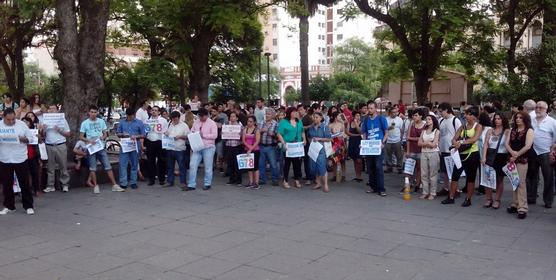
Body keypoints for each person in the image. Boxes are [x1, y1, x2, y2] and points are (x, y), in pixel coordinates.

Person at [441, 106, 483, 207]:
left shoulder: (478, 126)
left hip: (472, 154)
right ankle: (451, 196)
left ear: (474, 116)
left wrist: (461, 142)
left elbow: (474, 139)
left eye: (468, 114)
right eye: (465, 114)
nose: (466, 116)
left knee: (470, 177)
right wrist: (456, 142)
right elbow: (454, 138)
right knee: (455, 175)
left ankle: (468, 198)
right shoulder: (463, 126)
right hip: (460, 154)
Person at [79, 105, 123, 194]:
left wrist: (103, 137)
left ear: (97, 113)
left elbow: (106, 133)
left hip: (100, 147)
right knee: (92, 168)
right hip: (91, 148)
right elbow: (81, 137)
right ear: (88, 113)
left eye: (95, 112)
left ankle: (114, 185)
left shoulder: (101, 121)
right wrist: (89, 140)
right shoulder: (84, 123)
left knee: (108, 166)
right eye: (91, 112)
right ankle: (95, 186)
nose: (93, 114)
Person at [0, 108, 36, 215]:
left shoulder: (21, 125)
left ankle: (28, 206)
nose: (11, 122)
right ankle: (9, 206)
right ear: (3, 118)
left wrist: (22, 139)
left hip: (20, 158)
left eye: (13, 119)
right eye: (8, 120)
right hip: (4, 158)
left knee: (24, 183)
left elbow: (31, 138)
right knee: (7, 184)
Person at [527, 101, 556, 208]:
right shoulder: (531, 120)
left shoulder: (552, 122)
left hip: (546, 153)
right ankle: (531, 197)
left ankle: (548, 201)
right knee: (532, 176)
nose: (538, 109)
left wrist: (553, 149)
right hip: (532, 151)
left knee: (548, 177)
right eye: (536, 107)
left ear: (546, 109)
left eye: (541, 108)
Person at [506, 112, 534, 219]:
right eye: (516, 117)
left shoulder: (529, 130)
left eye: (520, 118)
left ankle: (522, 208)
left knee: (521, 183)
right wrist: (512, 153)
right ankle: (515, 204)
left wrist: (516, 154)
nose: (518, 119)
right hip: (511, 159)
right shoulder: (512, 129)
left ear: (525, 119)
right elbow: (506, 143)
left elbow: (528, 146)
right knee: (514, 182)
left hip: (523, 160)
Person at [481, 112, 509, 209]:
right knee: (487, 178)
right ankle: (488, 198)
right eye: (496, 119)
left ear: (503, 120)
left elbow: (508, 145)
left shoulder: (507, 131)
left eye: (499, 119)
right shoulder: (490, 130)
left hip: (501, 156)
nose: (497, 120)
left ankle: (497, 199)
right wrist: (483, 157)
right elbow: (485, 144)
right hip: (489, 155)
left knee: (499, 179)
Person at [361, 101, 389, 197]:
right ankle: (373, 187)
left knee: (378, 167)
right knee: (370, 167)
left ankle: (381, 189)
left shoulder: (381, 119)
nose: (369, 110)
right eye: (368, 108)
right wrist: (363, 143)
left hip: (378, 147)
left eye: (371, 108)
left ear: (376, 109)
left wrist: (383, 142)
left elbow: (386, 132)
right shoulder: (366, 120)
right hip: (369, 147)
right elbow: (364, 133)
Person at [42, 104, 71, 193]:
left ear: (57, 110)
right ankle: (50, 185)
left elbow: (68, 134)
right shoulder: (44, 120)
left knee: (63, 166)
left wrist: (59, 130)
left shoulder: (62, 120)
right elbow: (42, 135)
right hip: (49, 145)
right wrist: (43, 129)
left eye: (53, 108)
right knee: (50, 167)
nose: (51, 110)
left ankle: (65, 184)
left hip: (60, 145)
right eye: (49, 109)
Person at [187, 108, 218, 191]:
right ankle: (191, 184)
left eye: (202, 116)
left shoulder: (212, 123)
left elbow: (215, 135)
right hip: (197, 147)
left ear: (207, 115)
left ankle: (207, 183)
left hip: (208, 147)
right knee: (192, 165)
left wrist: (204, 135)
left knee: (208, 166)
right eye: (199, 116)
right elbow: (191, 131)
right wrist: (192, 134)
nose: (201, 118)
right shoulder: (196, 122)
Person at [116, 108, 145, 189]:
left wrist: (136, 136)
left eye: (132, 116)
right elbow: (118, 134)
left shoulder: (139, 122)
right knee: (123, 164)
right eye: (129, 116)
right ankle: (123, 182)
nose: (130, 118)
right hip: (125, 146)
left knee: (134, 164)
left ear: (134, 115)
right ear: (126, 115)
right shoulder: (122, 122)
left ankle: (133, 182)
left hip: (134, 146)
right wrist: (122, 134)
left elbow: (144, 134)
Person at [277, 107, 306, 189]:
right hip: (288, 146)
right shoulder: (283, 122)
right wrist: (284, 143)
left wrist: (304, 139)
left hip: (297, 146)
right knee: (287, 163)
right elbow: (279, 134)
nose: (296, 113)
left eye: (296, 112)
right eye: (294, 112)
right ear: (289, 113)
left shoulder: (299, 121)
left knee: (297, 163)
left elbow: (302, 131)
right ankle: (285, 180)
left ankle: (296, 179)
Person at [437, 103, 462, 196]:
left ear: (447, 110)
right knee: (445, 171)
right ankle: (446, 187)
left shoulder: (456, 120)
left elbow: (459, 135)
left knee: (453, 171)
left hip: (452, 150)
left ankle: (456, 189)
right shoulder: (441, 120)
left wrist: (456, 147)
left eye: (441, 111)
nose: (440, 114)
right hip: (442, 149)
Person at [307, 112, 332, 192]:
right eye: (314, 117)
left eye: (317, 117)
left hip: (322, 150)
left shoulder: (325, 127)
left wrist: (319, 139)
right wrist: (311, 142)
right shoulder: (311, 127)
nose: (315, 119)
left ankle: (325, 185)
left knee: (322, 167)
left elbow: (329, 139)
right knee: (314, 167)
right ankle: (318, 183)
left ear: (321, 118)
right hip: (313, 149)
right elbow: (309, 136)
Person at [164, 111, 190, 189]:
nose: (174, 120)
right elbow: (167, 133)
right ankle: (170, 181)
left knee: (182, 166)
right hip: (170, 147)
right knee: (170, 166)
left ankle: (183, 182)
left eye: (175, 119)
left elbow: (188, 136)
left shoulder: (184, 125)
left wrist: (180, 136)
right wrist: (166, 134)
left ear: (178, 118)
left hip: (180, 148)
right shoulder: (170, 124)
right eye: (172, 119)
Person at [144, 106, 168, 186]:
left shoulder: (163, 120)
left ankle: (161, 179)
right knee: (151, 161)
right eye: (153, 110)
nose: (154, 111)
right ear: (150, 112)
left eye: (156, 110)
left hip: (160, 142)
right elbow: (145, 132)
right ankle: (151, 179)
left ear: (159, 112)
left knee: (161, 161)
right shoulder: (147, 121)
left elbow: (166, 131)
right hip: (150, 142)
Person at [418, 115, 440, 200]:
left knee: (433, 173)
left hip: (433, 153)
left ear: (433, 120)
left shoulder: (436, 131)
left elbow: (434, 144)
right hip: (424, 153)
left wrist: (426, 143)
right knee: (424, 173)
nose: (427, 120)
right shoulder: (423, 131)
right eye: (426, 119)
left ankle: (433, 192)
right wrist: (428, 143)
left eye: (429, 119)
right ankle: (425, 192)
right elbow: (419, 143)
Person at [406, 108, 426, 192]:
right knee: (408, 169)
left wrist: (411, 138)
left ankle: (418, 184)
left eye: (416, 115)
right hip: (412, 149)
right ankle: (407, 184)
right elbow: (407, 138)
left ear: (421, 116)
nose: (414, 117)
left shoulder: (425, 125)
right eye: (413, 115)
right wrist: (407, 151)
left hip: (421, 150)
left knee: (419, 168)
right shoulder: (411, 124)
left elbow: (423, 138)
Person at [259, 108, 280, 186]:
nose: (267, 115)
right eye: (266, 114)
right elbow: (256, 132)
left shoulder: (276, 124)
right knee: (261, 164)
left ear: (273, 115)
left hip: (271, 147)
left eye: (269, 114)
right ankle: (262, 179)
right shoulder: (261, 123)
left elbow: (278, 137)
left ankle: (275, 179)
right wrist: (261, 131)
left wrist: (273, 134)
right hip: (261, 146)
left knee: (273, 164)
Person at [22, 117, 41, 196]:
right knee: (23, 175)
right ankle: (26, 191)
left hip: (32, 156)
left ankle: (36, 189)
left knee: (34, 173)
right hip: (22, 156)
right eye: (23, 122)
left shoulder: (34, 131)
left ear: (30, 123)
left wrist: (38, 137)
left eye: (27, 122)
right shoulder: (19, 131)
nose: (25, 123)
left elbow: (39, 142)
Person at [224, 112, 244, 186]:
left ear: (237, 118)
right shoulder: (226, 126)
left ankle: (239, 180)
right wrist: (223, 133)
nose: (232, 118)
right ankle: (231, 179)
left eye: (233, 116)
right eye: (231, 116)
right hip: (229, 145)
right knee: (230, 163)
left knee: (237, 164)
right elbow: (223, 136)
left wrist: (240, 135)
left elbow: (243, 136)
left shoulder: (240, 126)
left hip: (237, 146)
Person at [242, 116, 261, 189]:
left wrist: (251, 148)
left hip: (255, 150)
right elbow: (243, 140)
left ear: (254, 122)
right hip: (247, 150)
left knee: (255, 167)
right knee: (249, 167)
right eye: (248, 121)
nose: (249, 123)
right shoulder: (245, 129)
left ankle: (256, 183)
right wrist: (249, 148)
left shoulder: (256, 130)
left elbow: (257, 141)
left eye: (251, 121)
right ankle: (250, 182)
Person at [385, 106, 404, 174]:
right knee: (388, 155)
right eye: (393, 112)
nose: (394, 114)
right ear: (390, 113)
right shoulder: (386, 119)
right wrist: (389, 128)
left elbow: (402, 130)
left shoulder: (399, 119)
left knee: (399, 155)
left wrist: (401, 139)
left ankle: (399, 167)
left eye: (396, 112)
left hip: (397, 140)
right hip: (388, 140)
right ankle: (389, 167)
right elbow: (384, 129)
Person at [329, 111, 346, 182]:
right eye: (339, 116)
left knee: (342, 160)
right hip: (334, 143)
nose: (340, 117)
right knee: (334, 160)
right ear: (335, 117)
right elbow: (329, 135)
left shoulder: (342, 125)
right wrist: (332, 137)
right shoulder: (330, 125)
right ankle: (334, 175)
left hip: (341, 143)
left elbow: (344, 134)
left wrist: (342, 136)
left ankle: (343, 175)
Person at [347, 111, 363, 181]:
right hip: (352, 141)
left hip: (359, 142)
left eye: (359, 115)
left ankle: (360, 175)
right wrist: (356, 135)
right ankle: (357, 175)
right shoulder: (349, 123)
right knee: (354, 159)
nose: (358, 117)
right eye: (356, 115)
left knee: (359, 159)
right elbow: (347, 132)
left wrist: (356, 123)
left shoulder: (361, 123)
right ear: (353, 116)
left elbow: (360, 131)